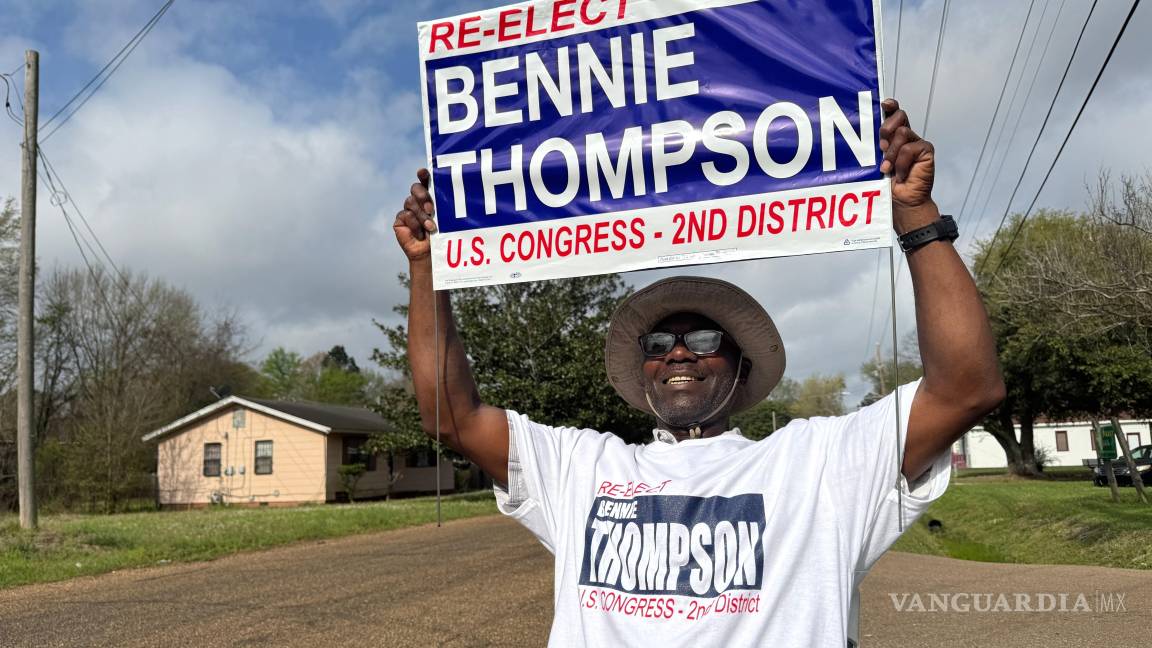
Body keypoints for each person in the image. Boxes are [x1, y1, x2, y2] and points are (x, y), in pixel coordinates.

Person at [392, 99, 1004, 647]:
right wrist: (426, 266)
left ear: (741, 367)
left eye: (704, 339)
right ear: (645, 369)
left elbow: (966, 389)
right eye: (659, 342)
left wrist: (916, 215)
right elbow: (452, 417)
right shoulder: (581, 467)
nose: (678, 354)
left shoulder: (817, 465)